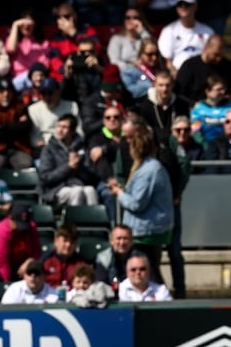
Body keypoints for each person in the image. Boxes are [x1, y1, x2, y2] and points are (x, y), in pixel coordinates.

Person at [108, 122, 174, 285]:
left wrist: (119, 194)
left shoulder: (148, 170)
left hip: (147, 231)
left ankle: (160, 301)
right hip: (149, 229)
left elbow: (137, 203)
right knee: (149, 269)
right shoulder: (150, 168)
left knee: (148, 271)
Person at [175, 35, 231, 134]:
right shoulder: (190, 66)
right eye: (215, 55)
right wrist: (192, 103)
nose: (218, 59)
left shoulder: (228, 66)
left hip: (223, 107)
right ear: (206, 48)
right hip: (197, 108)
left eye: (221, 56)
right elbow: (178, 93)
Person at [38, 113, 99, 206]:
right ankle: (74, 220)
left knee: (91, 190)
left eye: (64, 127)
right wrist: (68, 167)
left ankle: (95, 220)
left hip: (78, 184)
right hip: (56, 189)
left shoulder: (81, 148)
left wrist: (78, 166)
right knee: (77, 192)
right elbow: (46, 178)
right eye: (58, 126)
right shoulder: (49, 149)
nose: (60, 130)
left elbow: (90, 177)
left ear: (72, 131)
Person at [157, 0, 214, 76]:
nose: (183, 7)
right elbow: (167, 61)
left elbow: (211, 57)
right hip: (178, 74)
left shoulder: (207, 31)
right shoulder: (168, 31)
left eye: (187, 4)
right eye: (180, 4)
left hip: (202, 73)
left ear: (195, 6)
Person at [46, 3, 99, 83]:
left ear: (74, 17)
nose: (64, 20)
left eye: (67, 17)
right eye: (60, 17)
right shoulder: (55, 39)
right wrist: (66, 69)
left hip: (88, 71)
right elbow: (54, 60)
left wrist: (74, 33)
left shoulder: (87, 31)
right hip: (65, 76)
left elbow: (96, 47)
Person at [0, 203, 41, 283]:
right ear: (10, 218)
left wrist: (30, 261)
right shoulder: (1, 232)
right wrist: (8, 284)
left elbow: (37, 251)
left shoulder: (31, 227)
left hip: (25, 265)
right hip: (7, 266)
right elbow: (2, 262)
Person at [29, 77, 83, 152]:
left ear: (58, 92)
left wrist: (73, 145)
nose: (47, 97)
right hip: (46, 147)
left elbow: (79, 130)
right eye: (43, 93)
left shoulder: (71, 106)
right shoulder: (33, 109)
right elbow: (35, 136)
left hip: (70, 145)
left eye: (50, 93)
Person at [189, 74, 231, 148]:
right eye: (218, 89)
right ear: (207, 91)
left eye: (223, 89)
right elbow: (195, 132)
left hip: (228, 147)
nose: (222, 92)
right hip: (206, 147)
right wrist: (206, 147)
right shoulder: (198, 109)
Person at [137, 71, 190, 142]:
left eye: (167, 85)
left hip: (177, 142)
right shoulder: (146, 106)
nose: (164, 89)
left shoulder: (181, 104)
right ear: (155, 85)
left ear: (172, 85)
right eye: (161, 85)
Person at [80, 64, 129, 140]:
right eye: (116, 91)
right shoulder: (92, 102)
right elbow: (88, 127)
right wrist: (108, 119)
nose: (119, 94)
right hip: (100, 139)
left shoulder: (124, 98)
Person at [5, 12, 49, 91]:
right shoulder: (14, 40)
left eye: (30, 23)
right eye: (23, 23)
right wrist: (15, 25)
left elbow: (45, 65)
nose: (26, 26)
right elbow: (11, 49)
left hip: (37, 79)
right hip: (17, 79)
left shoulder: (42, 42)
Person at [40, 223, 86, 288]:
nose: (68, 245)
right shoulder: (45, 261)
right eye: (65, 241)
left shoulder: (81, 263)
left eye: (72, 242)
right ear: (56, 241)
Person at [107, 6, 152, 72]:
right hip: (125, 73)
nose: (131, 20)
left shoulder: (144, 37)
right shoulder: (116, 39)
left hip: (145, 71)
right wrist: (133, 66)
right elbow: (114, 61)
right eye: (127, 18)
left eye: (135, 18)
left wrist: (142, 31)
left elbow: (151, 47)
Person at [62, 37, 103, 103]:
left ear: (96, 52)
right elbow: (64, 92)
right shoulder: (72, 65)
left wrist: (99, 69)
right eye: (83, 52)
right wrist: (67, 75)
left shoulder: (102, 65)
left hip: (97, 103)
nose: (87, 54)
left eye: (91, 51)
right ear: (78, 52)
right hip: (76, 103)